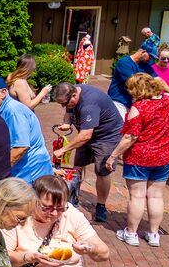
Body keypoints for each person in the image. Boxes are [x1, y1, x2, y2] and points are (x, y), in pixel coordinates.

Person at [106, 74, 169, 248]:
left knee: (137, 196)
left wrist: (114, 155)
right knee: (156, 196)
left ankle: (131, 233)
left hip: (140, 156)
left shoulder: (139, 107)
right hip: (165, 155)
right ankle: (153, 234)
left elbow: (130, 136)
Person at [51, 81, 124, 223]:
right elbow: (69, 110)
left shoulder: (89, 104)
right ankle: (73, 197)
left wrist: (63, 150)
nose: (63, 107)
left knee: (102, 171)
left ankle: (101, 205)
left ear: (74, 95)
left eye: (65, 103)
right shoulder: (72, 96)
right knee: (77, 166)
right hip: (88, 132)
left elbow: (85, 135)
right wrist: (67, 122)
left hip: (107, 136)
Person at [0, 76, 53, 184]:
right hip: (22, 170)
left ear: (3, 92)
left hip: (31, 172)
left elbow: (21, 147)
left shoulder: (13, 111)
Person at [108, 47, 156, 115]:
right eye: (150, 56)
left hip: (133, 102)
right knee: (121, 124)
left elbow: (157, 79)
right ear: (143, 52)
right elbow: (134, 83)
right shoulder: (124, 62)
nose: (151, 59)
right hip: (119, 101)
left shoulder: (145, 65)